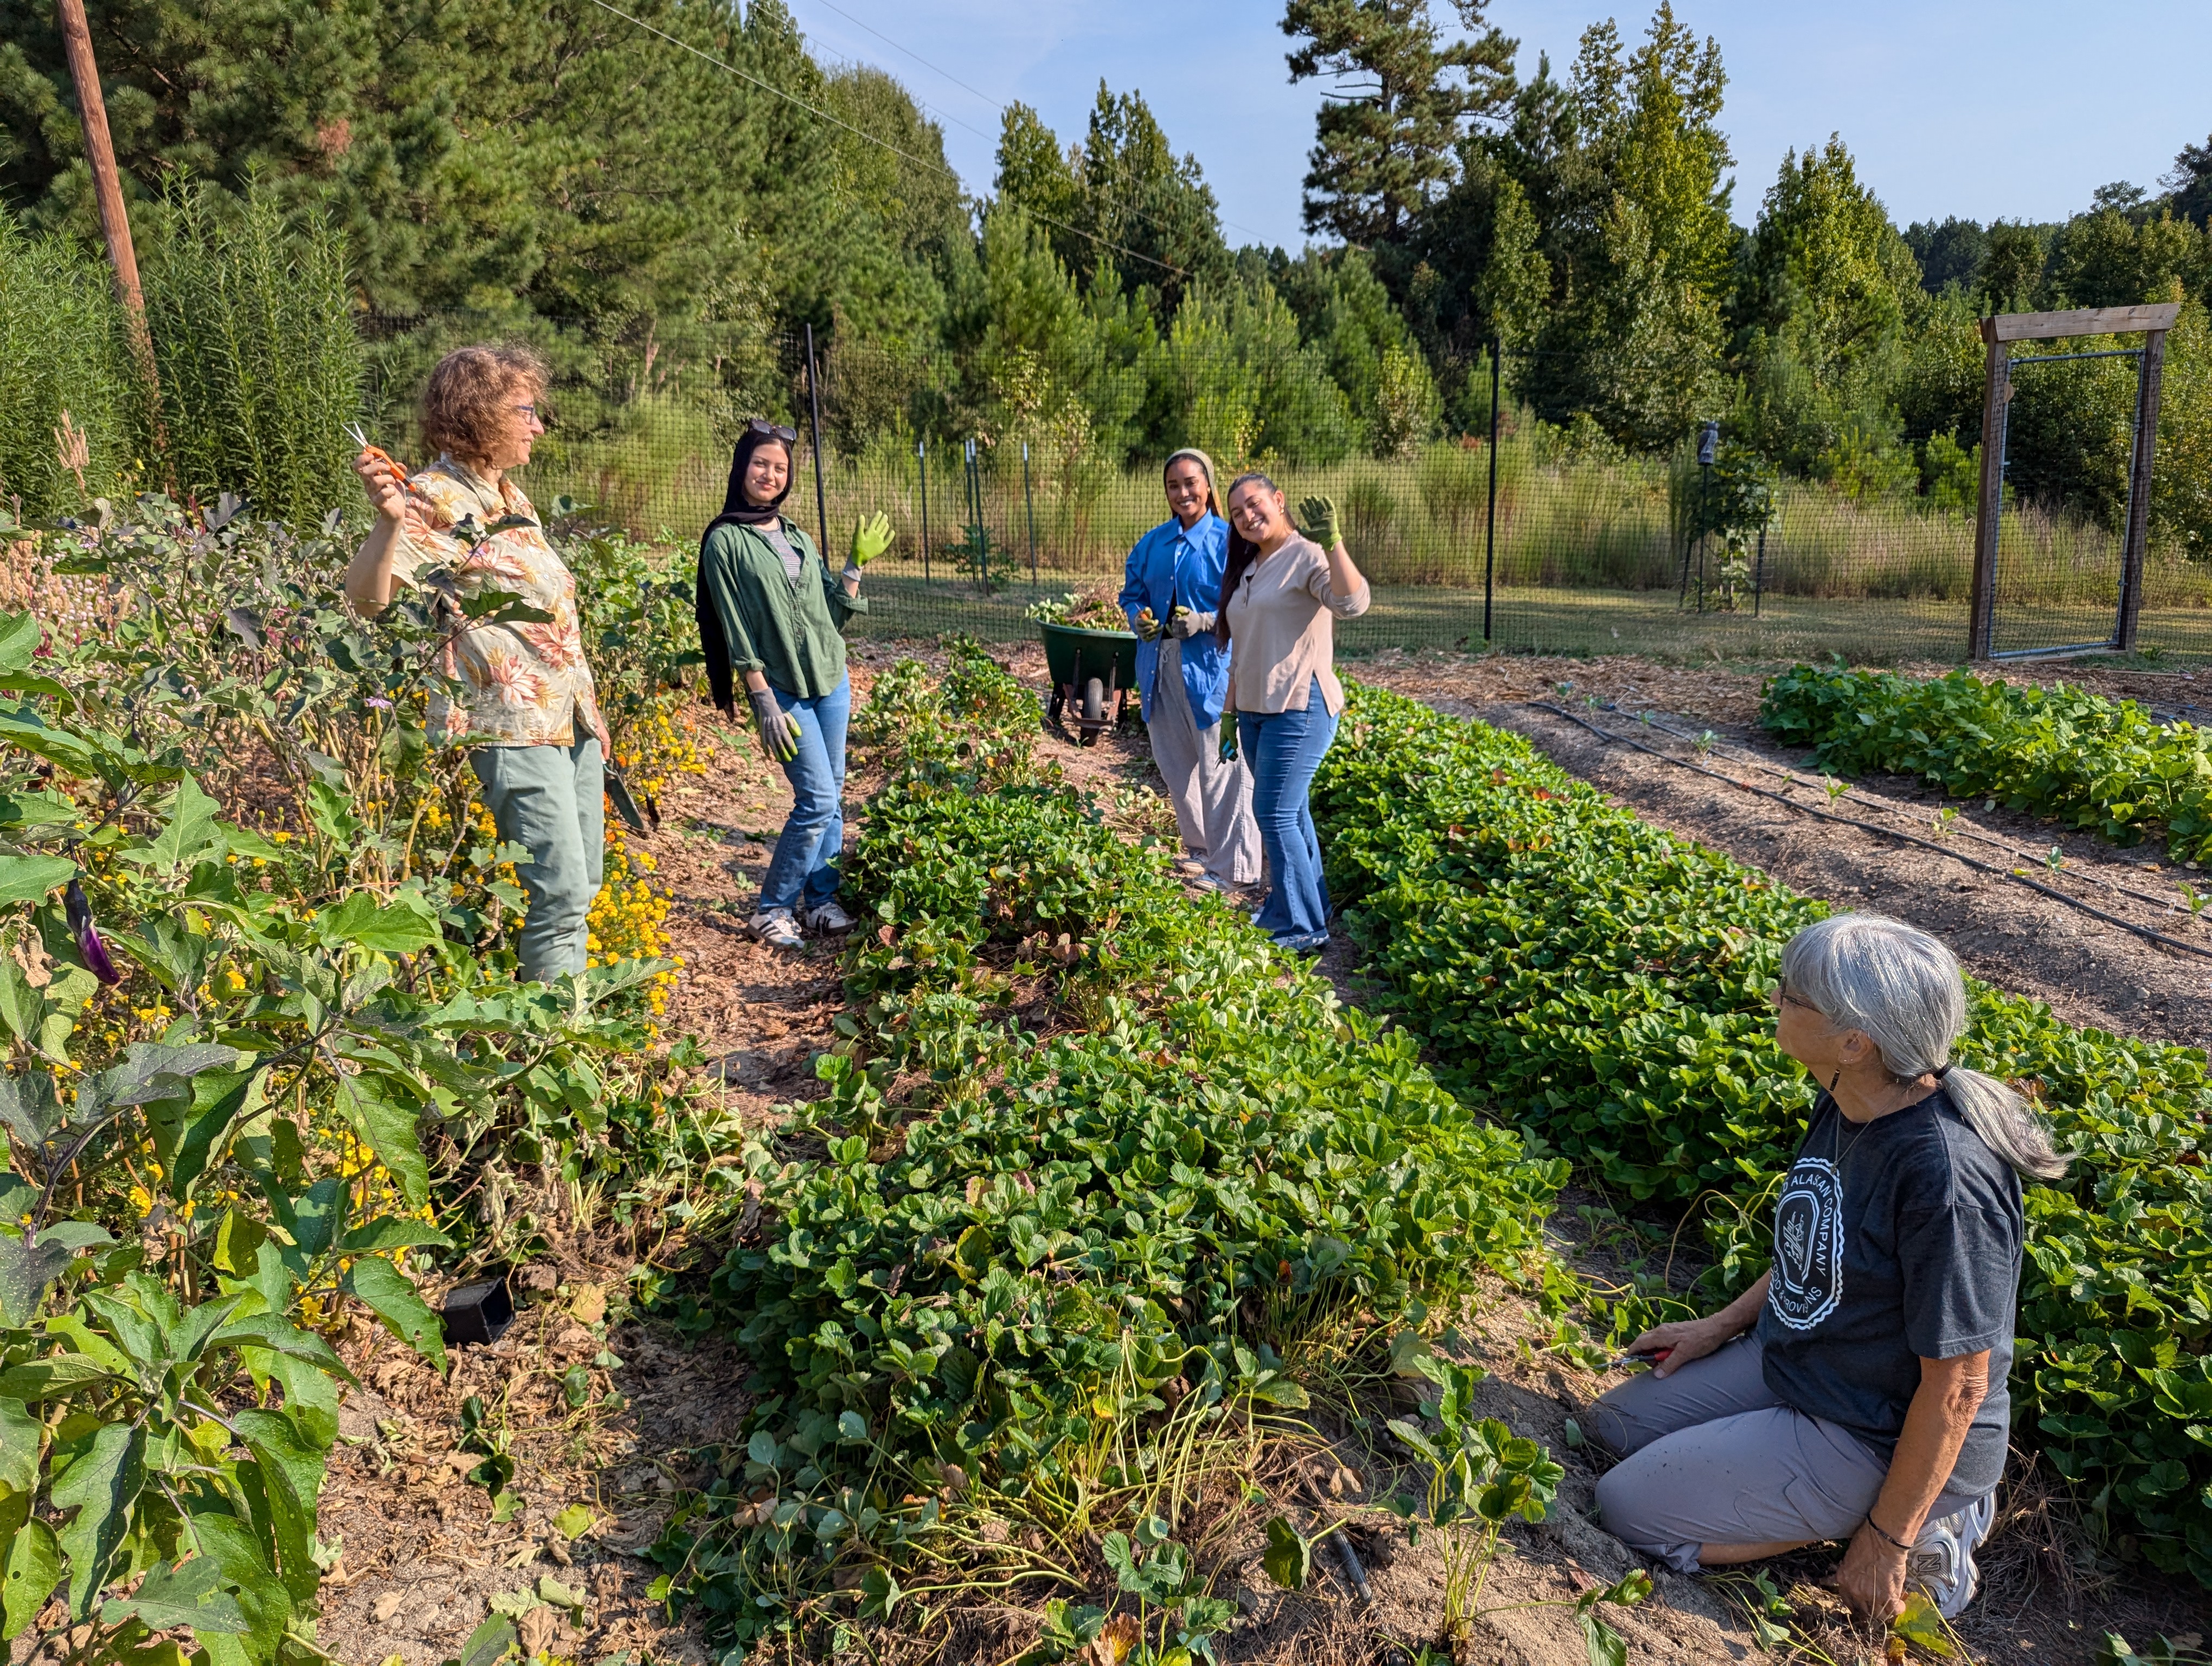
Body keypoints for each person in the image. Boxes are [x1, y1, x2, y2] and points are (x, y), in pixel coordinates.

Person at [1587, 913, 2068, 1623]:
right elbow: (1819, 1243)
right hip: (1811, 1365)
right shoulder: (1848, 1098)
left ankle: (1928, 1524)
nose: (1775, 999)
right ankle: (1787, 1478)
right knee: (1612, 1429)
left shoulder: (1945, 1180)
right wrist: (1719, 1327)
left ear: (1855, 1040)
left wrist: (1886, 1538)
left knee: (1628, 1506)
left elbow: (1961, 1384)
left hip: (1879, 1428)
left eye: (1793, 994)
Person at [347, 344, 610, 985]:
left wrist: (593, 718)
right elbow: (365, 603)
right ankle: (551, 1057)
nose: (539, 426)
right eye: (527, 411)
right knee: (560, 894)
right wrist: (386, 525)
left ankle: (564, 1034)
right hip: (511, 725)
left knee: (585, 885)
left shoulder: (512, 500)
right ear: (481, 415)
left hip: (569, 722)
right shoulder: (433, 498)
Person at [696, 420, 893, 950]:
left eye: (780, 468)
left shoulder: (797, 536)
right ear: (743, 467)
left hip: (830, 682)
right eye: (761, 463)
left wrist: (854, 564)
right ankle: (772, 908)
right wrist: (761, 698)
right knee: (817, 799)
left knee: (831, 798)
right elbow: (735, 626)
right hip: (782, 687)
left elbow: (830, 615)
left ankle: (820, 901)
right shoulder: (725, 542)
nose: (770, 474)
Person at [1214, 474, 1369, 954]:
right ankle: (1301, 905)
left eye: (1254, 505)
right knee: (1292, 812)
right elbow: (1242, 650)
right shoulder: (1250, 568)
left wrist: (1335, 542)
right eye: (1237, 513)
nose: (1247, 517)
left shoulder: (1308, 555)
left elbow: (1352, 603)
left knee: (1273, 813)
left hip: (1300, 707)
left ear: (1278, 501)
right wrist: (1228, 714)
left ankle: (1304, 928)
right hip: (1256, 712)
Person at [1118, 448, 1259, 891]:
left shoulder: (1228, 541)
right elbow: (1132, 592)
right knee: (1176, 767)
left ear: (1209, 486)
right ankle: (1201, 850)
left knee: (1220, 770)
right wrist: (1140, 618)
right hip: (1161, 667)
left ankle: (1236, 869)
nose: (1183, 493)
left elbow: (1249, 606)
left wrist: (1203, 622)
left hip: (1213, 670)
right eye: (1173, 486)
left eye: (1191, 483)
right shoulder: (1154, 543)